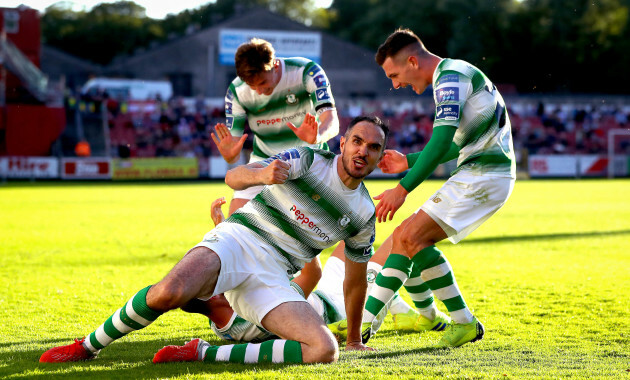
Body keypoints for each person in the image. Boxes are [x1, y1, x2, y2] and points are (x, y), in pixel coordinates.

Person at [40, 115, 388, 365]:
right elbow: (233, 176)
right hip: (239, 240)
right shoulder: (309, 159)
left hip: (275, 275)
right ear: (342, 143)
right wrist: (261, 173)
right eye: (357, 141)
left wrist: (355, 339)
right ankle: (87, 346)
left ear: (379, 157)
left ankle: (202, 352)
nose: (363, 151)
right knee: (168, 293)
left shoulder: (363, 215)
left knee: (323, 349)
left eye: (373, 147)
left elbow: (356, 281)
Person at [357, 28, 516, 348]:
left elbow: (442, 140)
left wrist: (402, 188)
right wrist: (409, 161)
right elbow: (457, 145)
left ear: (413, 61)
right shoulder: (455, 74)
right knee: (408, 237)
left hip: (484, 174)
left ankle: (365, 324)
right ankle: (366, 324)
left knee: (409, 237)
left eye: (395, 74)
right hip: (480, 171)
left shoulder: (450, 77)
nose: (395, 84)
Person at [166, 197, 440, 350]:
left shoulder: (221, 317)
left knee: (354, 233)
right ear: (209, 293)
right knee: (407, 235)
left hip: (324, 295)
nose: (215, 272)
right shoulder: (251, 317)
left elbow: (246, 261)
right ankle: (427, 314)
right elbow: (311, 274)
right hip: (340, 308)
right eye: (208, 277)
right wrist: (301, 229)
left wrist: (226, 231)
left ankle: (401, 307)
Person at [211, 38, 340, 216]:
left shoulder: (306, 72)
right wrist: (229, 154)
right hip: (263, 162)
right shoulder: (236, 91)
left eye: (263, 83)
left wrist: (317, 136)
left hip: (308, 158)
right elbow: (232, 150)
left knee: (319, 232)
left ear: (276, 65)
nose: (258, 91)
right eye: (251, 85)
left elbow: (332, 122)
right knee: (235, 223)